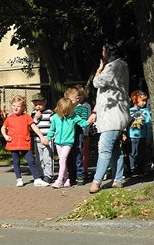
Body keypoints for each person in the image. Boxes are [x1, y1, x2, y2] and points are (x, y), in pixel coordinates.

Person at [88, 42, 131, 194]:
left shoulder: (112, 66)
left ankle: (96, 181)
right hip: (117, 114)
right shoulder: (122, 65)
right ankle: (118, 179)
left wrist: (99, 70)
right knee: (114, 150)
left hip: (112, 116)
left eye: (103, 50)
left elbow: (97, 83)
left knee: (104, 148)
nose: (102, 53)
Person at [1, 95, 50, 187]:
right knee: (16, 162)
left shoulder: (27, 117)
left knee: (31, 161)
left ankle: (37, 179)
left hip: (24, 143)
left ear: (23, 107)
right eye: (14, 105)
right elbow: (3, 128)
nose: (15, 108)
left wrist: (41, 137)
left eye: (18, 106)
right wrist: (5, 136)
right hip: (14, 143)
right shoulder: (9, 118)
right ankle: (19, 179)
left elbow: (34, 127)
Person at [46, 97, 89, 189]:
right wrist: (48, 138)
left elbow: (82, 123)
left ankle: (59, 180)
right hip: (58, 142)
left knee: (62, 159)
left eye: (67, 111)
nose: (65, 114)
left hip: (68, 142)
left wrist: (89, 121)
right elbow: (52, 130)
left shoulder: (74, 117)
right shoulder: (55, 118)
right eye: (63, 111)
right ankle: (66, 179)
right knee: (62, 161)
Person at [125, 90, 152, 176]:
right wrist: (124, 134)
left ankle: (140, 169)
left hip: (142, 137)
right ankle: (131, 169)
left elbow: (148, 125)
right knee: (131, 153)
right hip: (131, 136)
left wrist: (149, 137)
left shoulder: (146, 112)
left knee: (141, 154)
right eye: (142, 100)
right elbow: (125, 124)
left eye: (145, 101)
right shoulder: (129, 111)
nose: (144, 103)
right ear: (135, 99)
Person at [30, 96, 54, 183]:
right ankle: (40, 174)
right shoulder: (33, 113)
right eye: (36, 105)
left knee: (47, 158)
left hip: (47, 139)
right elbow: (32, 125)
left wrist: (51, 137)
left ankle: (49, 175)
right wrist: (36, 118)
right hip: (37, 140)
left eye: (40, 104)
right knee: (39, 158)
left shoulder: (50, 113)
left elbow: (53, 124)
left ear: (45, 102)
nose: (38, 107)